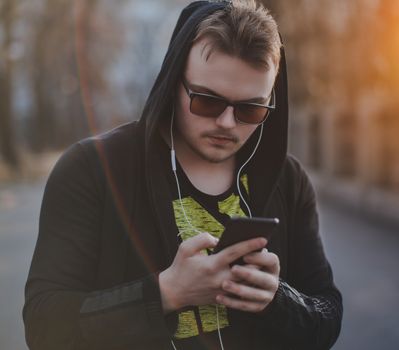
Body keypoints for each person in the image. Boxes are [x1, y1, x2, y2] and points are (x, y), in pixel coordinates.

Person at [23, 1, 343, 349]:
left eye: (251, 109)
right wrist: (165, 293)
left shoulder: (289, 179)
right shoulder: (92, 169)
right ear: (174, 81)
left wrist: (277, 300)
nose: (226, 123)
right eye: (207, 101)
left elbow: (326, 316)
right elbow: (43, 326)